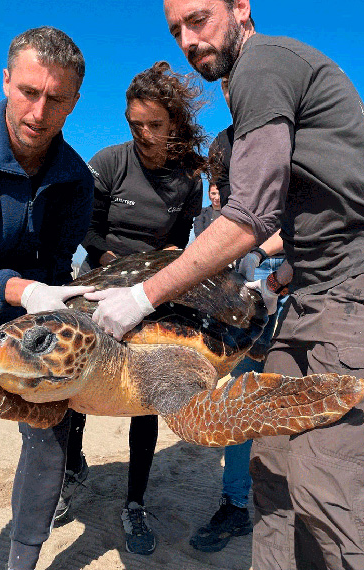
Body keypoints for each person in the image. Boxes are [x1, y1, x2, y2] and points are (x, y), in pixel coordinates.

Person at [84, 1, 364, 568]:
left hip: (348, 296)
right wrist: (283, 273)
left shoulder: (263, 63)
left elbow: (250, 217)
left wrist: (142, 296)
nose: (187, 39)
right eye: (176, 30)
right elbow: (315, 210)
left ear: (241, 7)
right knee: (273, 473)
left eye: (199, 19)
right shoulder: (241, 111)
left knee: (327, 492)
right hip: (307, 292)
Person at [0, 26, 95, 570]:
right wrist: (26, 290)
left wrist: (50, 297)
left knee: (51, 418)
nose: (38, 112)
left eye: (56, 99)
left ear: (75, 101)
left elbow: (57, 266)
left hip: (30, 311)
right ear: (6, 81)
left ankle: (21, 560)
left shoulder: (77, 179)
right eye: (29, 91)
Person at [55, 60, 205, 557]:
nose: (143, 134)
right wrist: (107, 258)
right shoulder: (111, 161)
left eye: (154, 125)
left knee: (148, 393)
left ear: (174, 123)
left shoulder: (188, 177)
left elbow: (180, 248)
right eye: (135, 124)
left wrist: (150, 281)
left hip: (150, 295)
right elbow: (82, 226)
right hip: (96, 283)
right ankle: (70, 467)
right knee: (74, 383)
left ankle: (134, 502)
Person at [190, 96, 287, 552]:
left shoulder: (284, 148)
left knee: (300, 409)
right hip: (241, 296)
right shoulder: (225, 148)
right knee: (243, 406)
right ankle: (236, 505)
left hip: (293, 289)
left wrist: (263, 258)